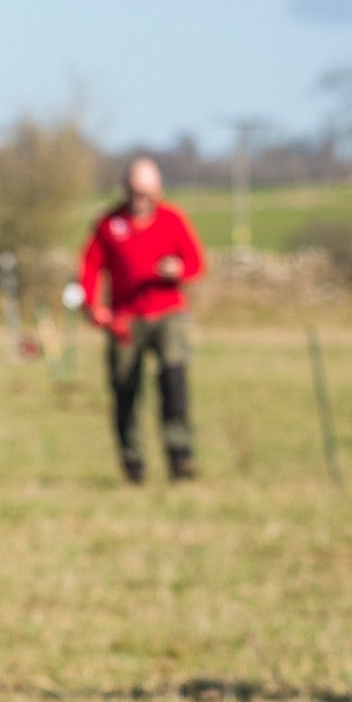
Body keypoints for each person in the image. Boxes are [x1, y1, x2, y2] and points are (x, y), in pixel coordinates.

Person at [79, 156, 204, 483]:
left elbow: (195, 263)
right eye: (134, 192)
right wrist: (93, 305)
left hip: (168, 314)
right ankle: (133, 464)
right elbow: (90, 267)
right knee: (125, 391)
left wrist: (178, 270)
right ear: (125, 190)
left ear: (158, 191)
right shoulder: (108, 224)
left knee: (173, 384)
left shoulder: (172, 220)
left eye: (146, 193)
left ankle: (180, 457)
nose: (139, 199)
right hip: (125, 320)